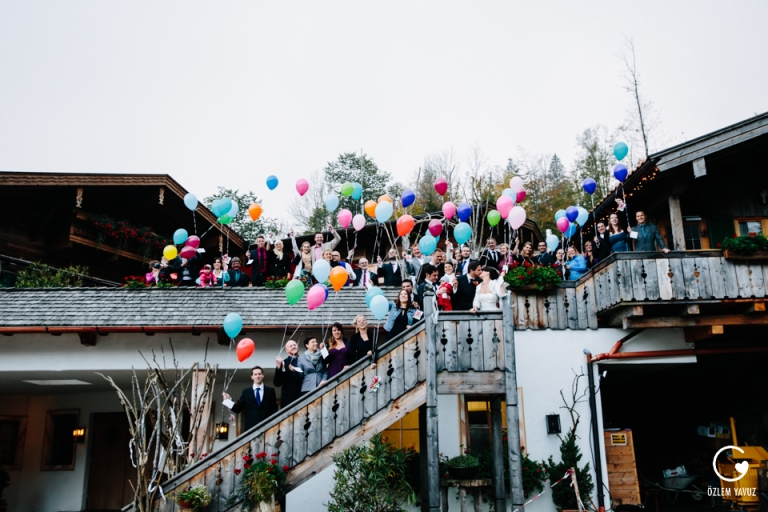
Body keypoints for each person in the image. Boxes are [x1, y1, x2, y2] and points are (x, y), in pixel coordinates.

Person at [223, 366, 278, 431]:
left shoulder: (270, 391)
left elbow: (274, 409)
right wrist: (228, 400)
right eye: (255, 374)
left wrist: (273, 424)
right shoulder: (246, 392)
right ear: (252, 377)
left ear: (263, 375)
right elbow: (238, 409)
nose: (258, 376)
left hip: (267, 427)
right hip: (251, 428)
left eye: (259, 374)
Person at [274, 340, 303, 408]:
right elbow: (277, 383)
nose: (293, 347)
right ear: (286, 351)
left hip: (304, 397)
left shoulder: (304, 360)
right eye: (290, 346)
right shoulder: (283, 363)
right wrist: (278, 367)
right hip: (289, 401)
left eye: (294, 345)